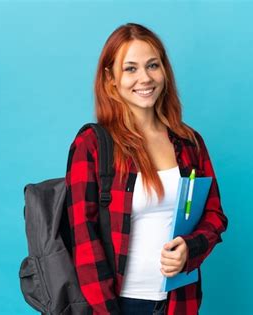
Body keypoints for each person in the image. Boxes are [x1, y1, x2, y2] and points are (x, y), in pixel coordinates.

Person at [65, 23, 228, 315]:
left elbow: (214, 216)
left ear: (164, 70)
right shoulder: (92, 145)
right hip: (119, 306)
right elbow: (84, 240)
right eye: (130, 68)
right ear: (110, 78)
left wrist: (190, 249)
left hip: (180, 303)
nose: (145, 78)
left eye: (153, 65)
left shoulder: (190, 143)